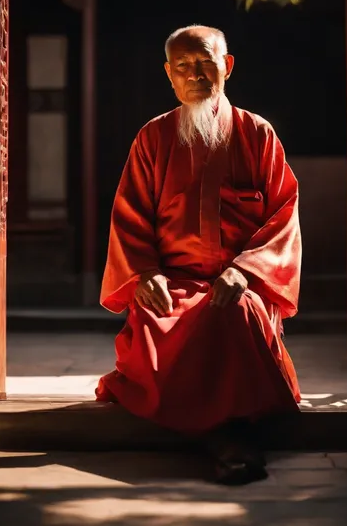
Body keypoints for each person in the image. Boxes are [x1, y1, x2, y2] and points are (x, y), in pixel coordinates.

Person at [96, 25, 301, 484]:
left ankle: (225, 439)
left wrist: (245, 270)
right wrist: (146, 272)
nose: (195, 74)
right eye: (183, 66)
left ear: (226, 66)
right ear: (169, 75)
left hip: (240, 283)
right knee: (161, 321)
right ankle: (230, 437)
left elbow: (283, 214)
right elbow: (129, 215)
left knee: (236, 312)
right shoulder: (153, 138)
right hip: (174, 282)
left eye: (206, 62)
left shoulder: (257, 135)